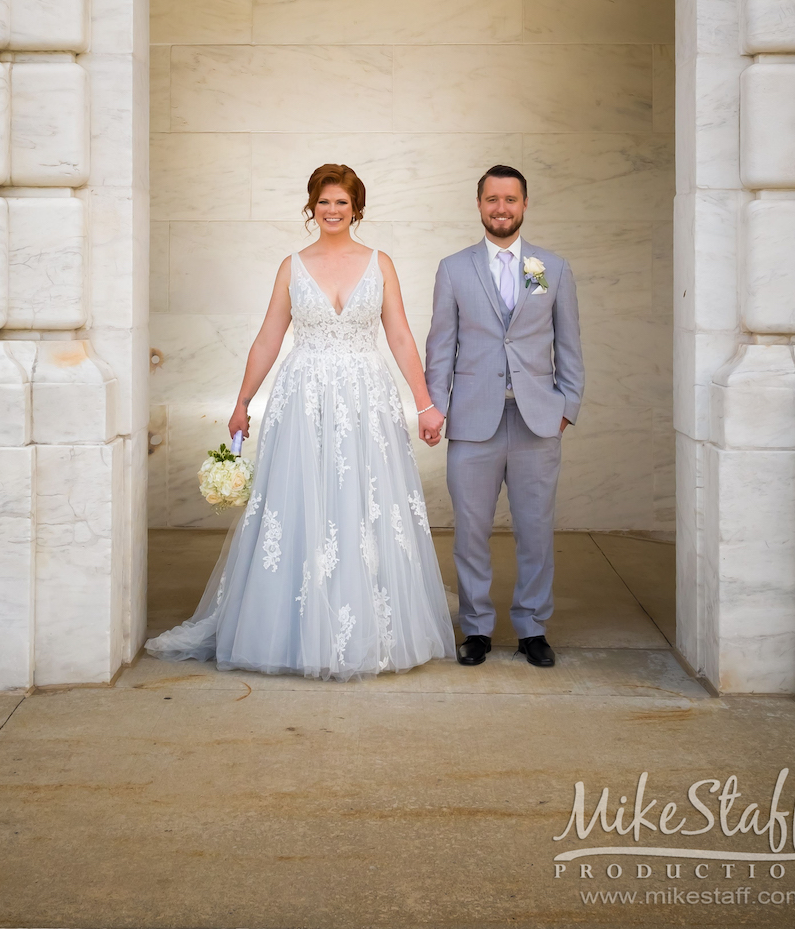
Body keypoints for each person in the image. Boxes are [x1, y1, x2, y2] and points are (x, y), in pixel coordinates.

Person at [146, 163, 455, 680]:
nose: (332, 210)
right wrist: (243, 400)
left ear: (357, 208)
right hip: (302, 398)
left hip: (364, 399)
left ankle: (366, 630)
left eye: (342, 202)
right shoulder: (292, 265)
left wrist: (424, 403)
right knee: (300, 504)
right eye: (323, 201)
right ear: (310, 207)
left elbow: (400, 335)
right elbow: (269, 336)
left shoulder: (381, 263)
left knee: (362, 503)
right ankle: (292, 629)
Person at [424, 164, 584, 669]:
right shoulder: (454, 269)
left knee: (535, 530)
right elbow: (440, 346)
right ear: (479, 205)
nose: (501, 208)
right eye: (492, 199)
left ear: (524, 204)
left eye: (510, 199)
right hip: (473, 421)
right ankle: (475, 629)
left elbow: (569, 344)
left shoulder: (551, 269)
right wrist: (436, 406)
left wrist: (567, 407)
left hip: (537, 420)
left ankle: (532, 627)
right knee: (471, 531)